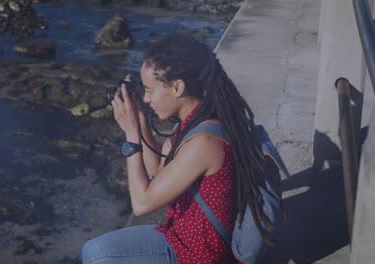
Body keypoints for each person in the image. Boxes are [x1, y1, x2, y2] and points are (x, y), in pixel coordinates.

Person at [82, 33, 269, 264]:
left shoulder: (203, 143)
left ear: (178, 87)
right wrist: (140, 117)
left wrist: (131, 135)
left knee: (97, 256)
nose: (147, 98)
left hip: (195, 256)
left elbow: (142, 204)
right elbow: (160, 173)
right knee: (92, 250)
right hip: (180, 236)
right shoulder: (197, 120)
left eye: (149, 90)